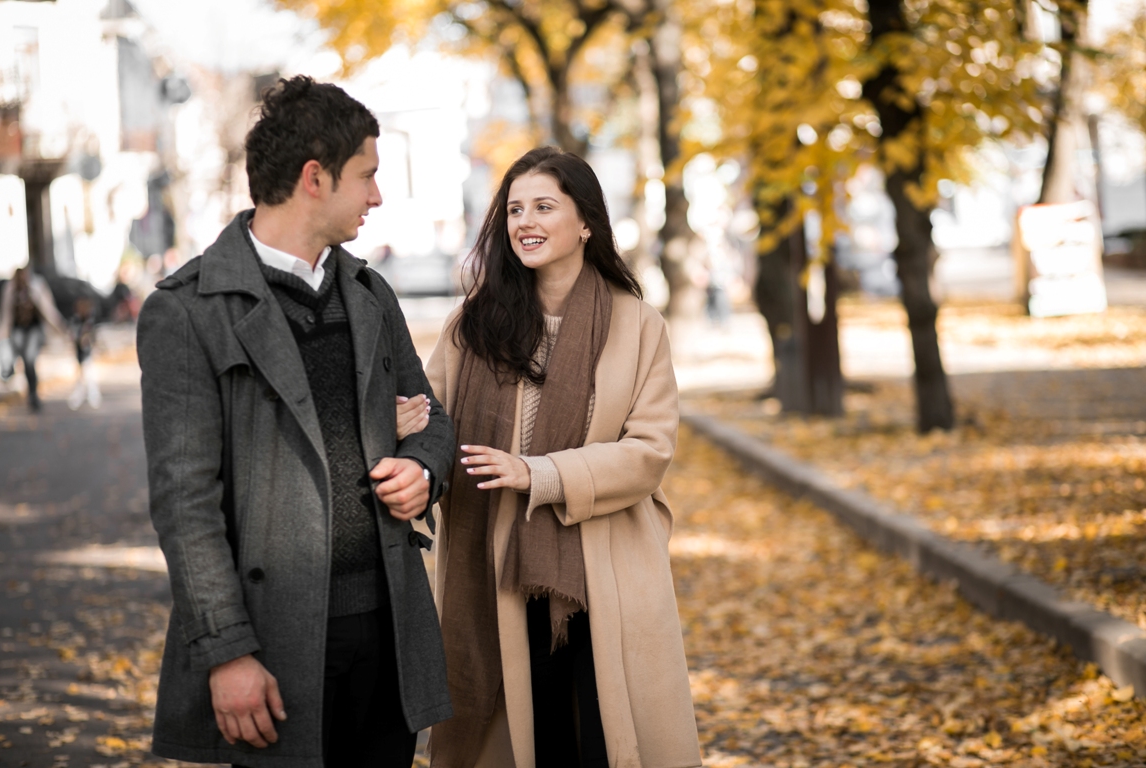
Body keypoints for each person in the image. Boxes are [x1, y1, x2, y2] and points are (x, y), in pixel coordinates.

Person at [137, 75, 455, 768]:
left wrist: (425, 468)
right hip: (275, 646)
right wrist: (227, 652)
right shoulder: (188, 310)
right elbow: (185, 504)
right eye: (367, 176)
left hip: (389, 632)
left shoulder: (370, 294)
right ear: (316, 178)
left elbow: (433, 417)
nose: (376, 195)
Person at [420, 147, 701, 768]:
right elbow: (430, 424)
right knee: (533, 742)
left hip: (605, 570)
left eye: (545, 206)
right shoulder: (472, 326)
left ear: (586, 223)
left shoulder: (636, 324)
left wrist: (538, 473)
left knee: (604, 738)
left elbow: (648, 451)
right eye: (515, 209)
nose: (526, 222)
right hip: (497, 566)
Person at [0, 266, 66, 412]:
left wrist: (60, 327)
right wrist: (2, 335)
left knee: (29, 360)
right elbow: (6, 315)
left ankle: (33, 395)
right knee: (18, 355)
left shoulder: (36, 286)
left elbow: (48, 309)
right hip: (18, 330)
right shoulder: (10, 289)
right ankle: (11, 372)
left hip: (34, 329)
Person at [67, 296, 101, 410]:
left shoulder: (89, 320)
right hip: (79, 350)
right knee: (82, 374)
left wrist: (87, 338)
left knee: (88, 373)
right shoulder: (75, 319)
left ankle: (92, 396)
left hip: (87, 351)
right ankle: (83, 396)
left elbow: (92, 335)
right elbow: (72, 334)